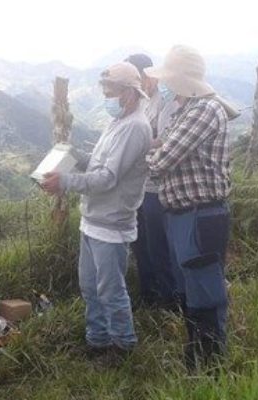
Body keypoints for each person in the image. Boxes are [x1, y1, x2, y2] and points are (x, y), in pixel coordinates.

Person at [41, 62, 151, 359]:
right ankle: (97, 339)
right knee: (90, 286)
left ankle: (122, 345)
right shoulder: (118, 123)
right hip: (92, 221)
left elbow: (107, 178)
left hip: (111, 225)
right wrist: (75, 155)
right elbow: (99, 163)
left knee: (111, 290)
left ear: (129, 93)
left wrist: (65, 181)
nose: (106, 98)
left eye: (110, 91)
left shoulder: (135, 128)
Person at [145, 45, 232, 370]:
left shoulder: (202, 111)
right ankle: (197, 352)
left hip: (200, 214)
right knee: (190, 287)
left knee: (204, 290)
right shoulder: (187, 110)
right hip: (185, 215)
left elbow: (161, 160)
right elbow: (162, 146)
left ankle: (209, 365)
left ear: (181, 80)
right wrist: (157, 149)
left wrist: (152, 153)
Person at [124, 53, 183, 311]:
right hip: (139, 186)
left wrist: (134, 151)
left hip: (157, 188)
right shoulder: (143, 104)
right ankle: (149, 295)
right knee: (141, 244)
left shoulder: (166, 104)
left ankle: (169, 300)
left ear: (148, 76)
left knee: (159, 245)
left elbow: (166, 144)